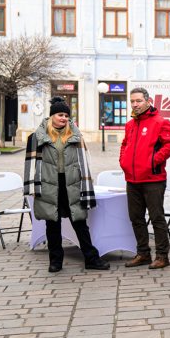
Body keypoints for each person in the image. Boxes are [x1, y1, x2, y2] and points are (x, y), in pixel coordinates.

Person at [23, 98, 109, 273]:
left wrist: (86, 185)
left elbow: (85, 162)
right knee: (52, 224)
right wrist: (32, 189)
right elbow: (31, 164)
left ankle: (91, 258)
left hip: (72, 184)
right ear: (52, 116)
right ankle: (55, 261)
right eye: (60, 114)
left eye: (66, 116)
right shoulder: (37, 137)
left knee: (80, 223)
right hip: (49, 185)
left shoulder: (76, 137)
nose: (64, 118)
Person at [121, 87, 170, 269]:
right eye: (132, 101)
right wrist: (123, 161)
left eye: (138, 101)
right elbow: (125, 145)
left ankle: (162, 256)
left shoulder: (161, 122)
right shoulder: (130, 124)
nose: (135, 104)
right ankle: (143, 254)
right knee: (136, 218)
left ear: (148, 101)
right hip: (132, 180)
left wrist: (154, 161)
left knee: (157, 218)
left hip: (153, 180)